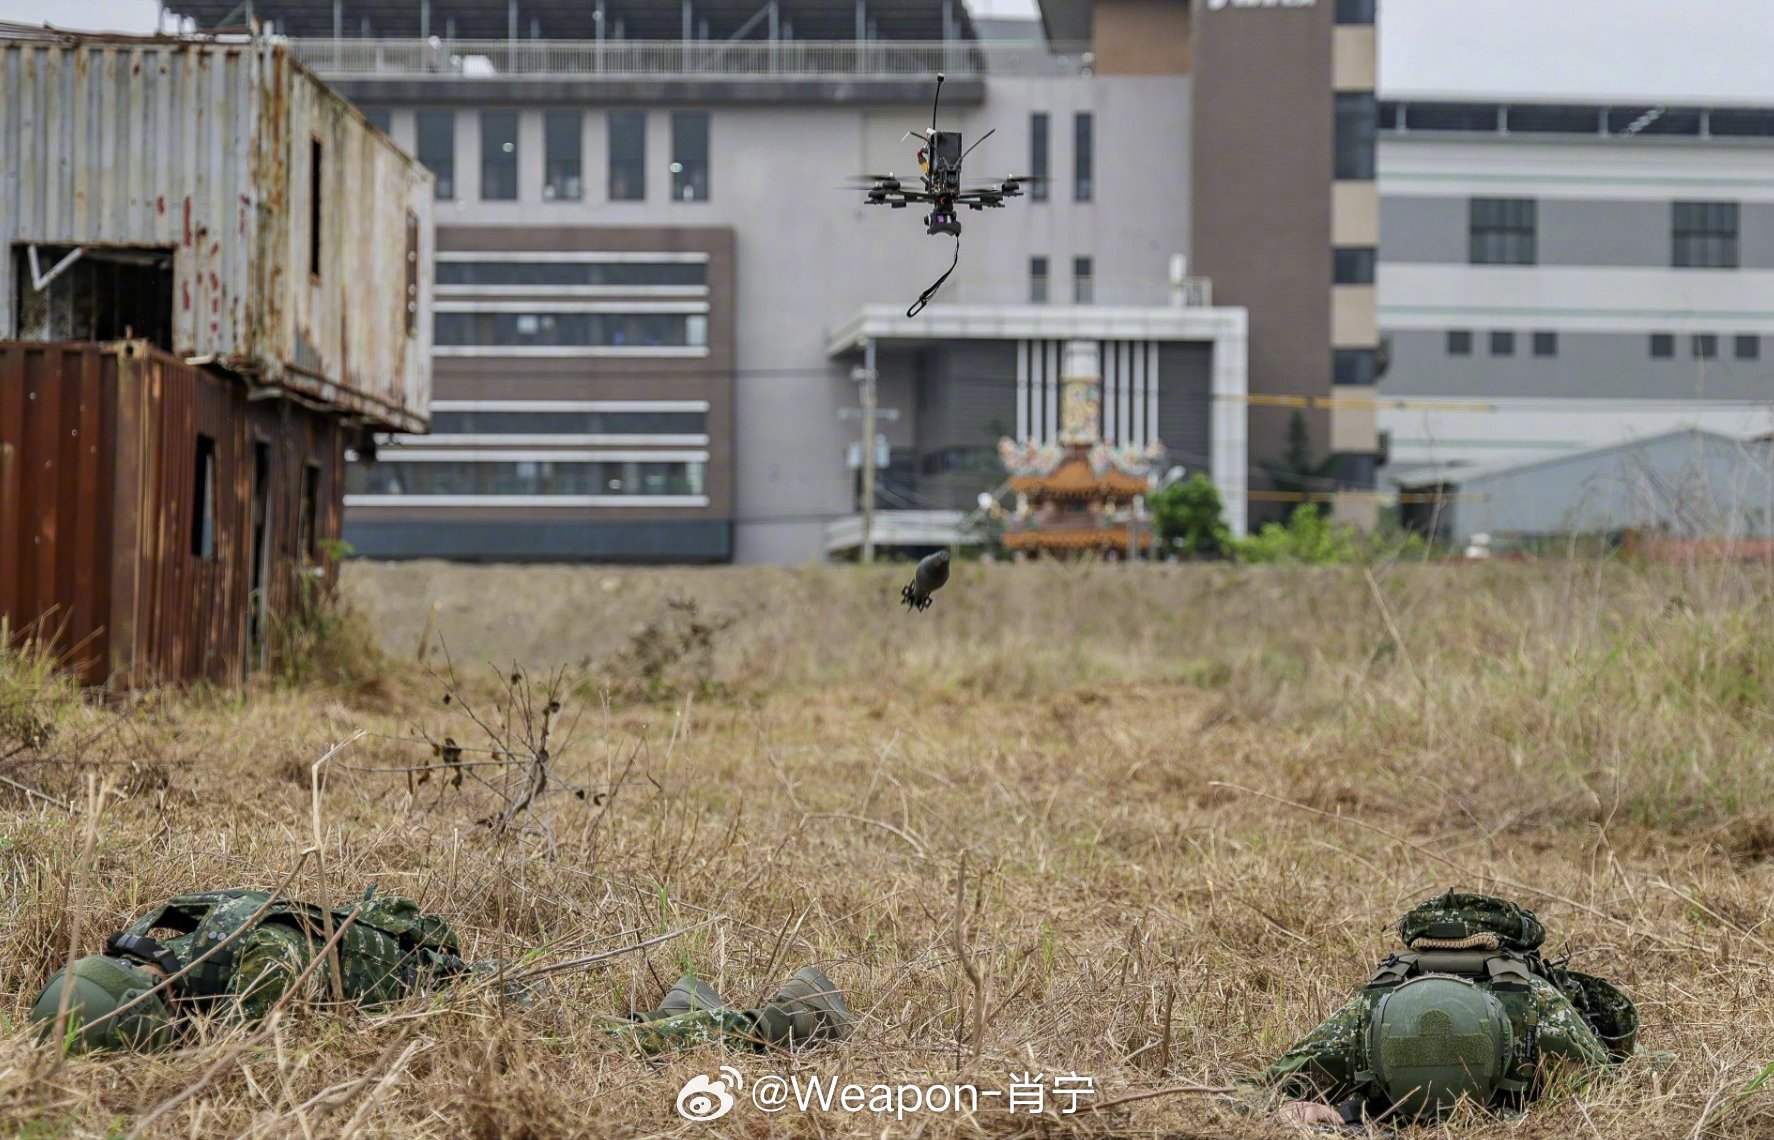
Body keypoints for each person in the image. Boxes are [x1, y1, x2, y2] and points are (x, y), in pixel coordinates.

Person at [31, 887, 854, 1057]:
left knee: (598, 1048)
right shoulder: (167, 934)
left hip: (465, 999)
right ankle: (686, 1001)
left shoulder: (256, 968)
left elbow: (281, 1057)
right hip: (433, 987)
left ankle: (790, 1017)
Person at [1250, 891, 1638, 1128]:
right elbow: (1616, 1091)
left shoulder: (1373, 1003)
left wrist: (1289, 1106)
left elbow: (1256, 1090)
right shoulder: (1537, 999)